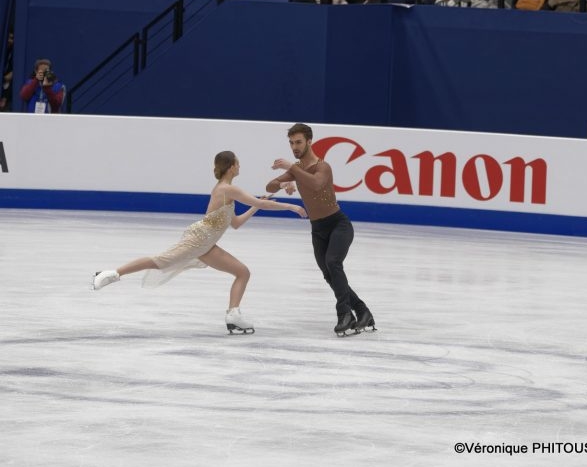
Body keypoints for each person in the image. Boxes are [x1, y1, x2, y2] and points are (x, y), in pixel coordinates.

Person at [93, 151, 307, 334]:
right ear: (232, 167)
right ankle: (111, 274)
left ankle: (233, 315)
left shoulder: (227, 191)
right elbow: (260, 202)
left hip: (207, 244)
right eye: (238, 163)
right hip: (198, 239)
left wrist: (256, 206)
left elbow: (237, 223)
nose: (240, 166)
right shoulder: (227, 189)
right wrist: (291, 207)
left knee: (243, 272)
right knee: (161, 261)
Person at [266, 123, 375, 336]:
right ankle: (362, 311)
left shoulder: (322, 166)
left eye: (298, 142)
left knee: (333, 263)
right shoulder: (295, 170)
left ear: (309, 141)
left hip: (338, 224)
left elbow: (316, 184)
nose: (294, 147)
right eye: (291, 143)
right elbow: (269, 186)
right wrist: (282, 184)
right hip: (317, 228)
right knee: (328, 274)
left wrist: (292, 170)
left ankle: (344, 314)